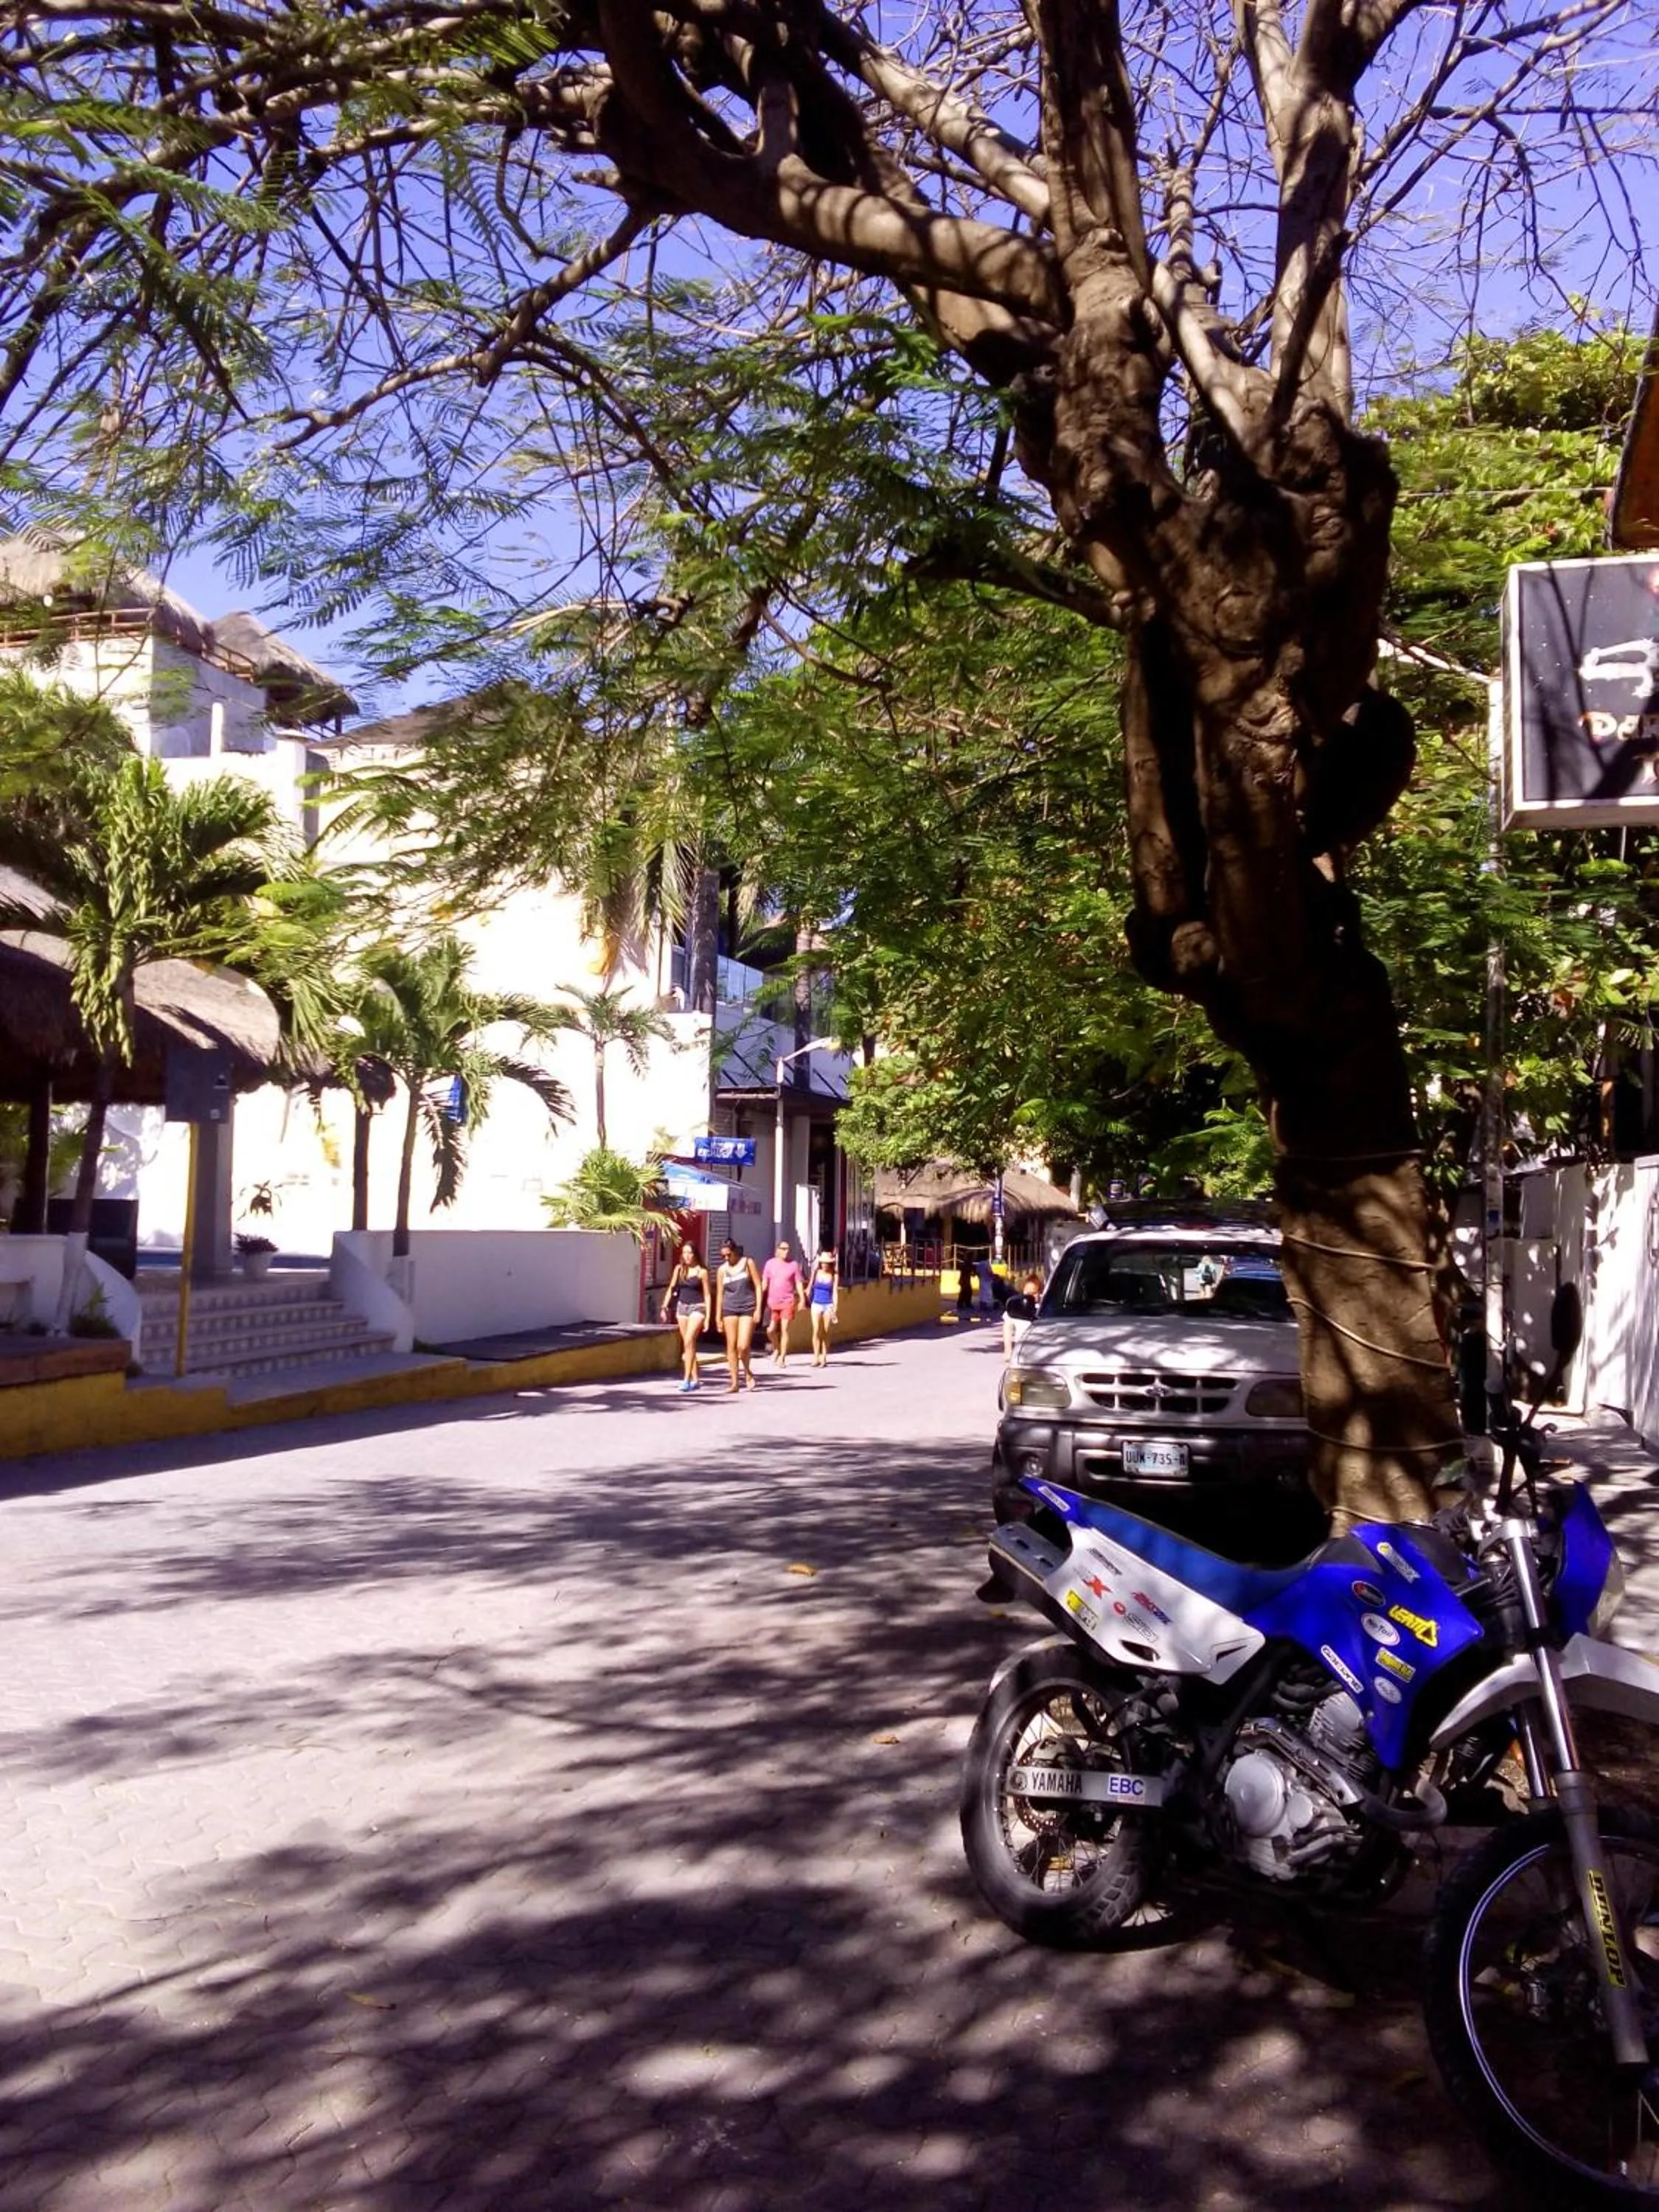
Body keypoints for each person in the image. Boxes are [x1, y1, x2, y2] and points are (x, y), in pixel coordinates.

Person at [714, 1238, 763, 1393]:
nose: (726, 1259)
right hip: (729, 1308)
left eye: (728, 1255)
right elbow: (720, 1294)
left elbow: (758, 1286)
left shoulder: (748, 1263)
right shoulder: (722, 1270)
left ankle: (748, 1372)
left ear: (735, 1251)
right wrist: (718, 1316)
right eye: (723, 1256)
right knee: (731, 1345)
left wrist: (758, 1309)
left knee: (743, 1345)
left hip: (747, 1307)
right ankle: (734, 1382)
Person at [664, 1238, 711, 1392]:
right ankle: (696, 1379)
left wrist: (708, 1318)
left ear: (695, 1254)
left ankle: (686, 1379)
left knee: (689, 1340)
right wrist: (664, 1306)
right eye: (684, 1253)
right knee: (688, 1344)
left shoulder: (702, 1272)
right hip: (682, 1307)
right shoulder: (679, 1269)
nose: (687, 1256)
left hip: (698, 1307)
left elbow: (708, 1295)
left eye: (690, 1253)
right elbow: (671, 1288)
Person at [760, 1239, 804, 1368]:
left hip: (787, 1301)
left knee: (785, 1329)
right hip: (773, 1302)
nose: (786, 1252)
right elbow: (764, 1282)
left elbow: (798, 1283)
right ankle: (777, 1348)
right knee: (770, 1330)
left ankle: (782, 1358)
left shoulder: (793, 1265)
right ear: (778, 1250)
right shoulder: (770, 1264)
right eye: (783, 1249)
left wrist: (801, 1299)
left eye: (788, 1249)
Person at [807, 1246, 839, 1367]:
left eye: (827, 1263)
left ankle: (824, 1356)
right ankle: (815, 1356)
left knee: (826, 1331)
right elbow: (810, 1287)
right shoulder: (816, 1272)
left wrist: (835, 1307)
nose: (825, 1265)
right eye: (823, 1263)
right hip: (816, 1303)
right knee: (816, 1330)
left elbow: (835, 1292)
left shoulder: (834, 1275)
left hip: (828, 1304)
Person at [1001, 1272, 1043, 1364]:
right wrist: (1008, 1349)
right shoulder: (1017, 1306)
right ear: (1022, 1291)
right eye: (1028, 1293)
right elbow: (1007, 1326)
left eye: (1034, 1293)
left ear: (1040, 1292)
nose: (1031, 1296)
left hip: (1041, 1349)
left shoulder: (1044, 1307)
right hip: (1021, 1348)